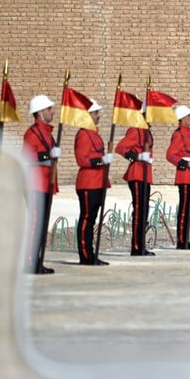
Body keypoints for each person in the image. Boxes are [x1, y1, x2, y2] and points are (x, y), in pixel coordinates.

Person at [22, 94, 61, 274]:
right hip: (35, 185)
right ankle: (30, 263)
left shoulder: (46, 132)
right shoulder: (32, 133)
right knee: (35, 225)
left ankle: (37, 262)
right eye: (48, 109)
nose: (51, 112)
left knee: (42, 225)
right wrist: (48, 155)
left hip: (46, 184)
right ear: (39, 113)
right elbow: (28, 156)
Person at [74, 100, 111, 266]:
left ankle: (91, 253)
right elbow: (82, 159)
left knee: (92, 220)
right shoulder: (83, 134)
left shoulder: (94, 133)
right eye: (96, 113)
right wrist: (100, 160)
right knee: (87, 219)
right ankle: (85, 255)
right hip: (88, 182)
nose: (98, 116)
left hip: (98, 181)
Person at [115, 113, 155, 256]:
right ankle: (137, 247)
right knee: (139, 211)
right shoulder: (136, 130)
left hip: (146, 174)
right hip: (137, 174)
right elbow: (120, 148)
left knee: (144, 211)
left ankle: (141, 245)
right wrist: (137, 156)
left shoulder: (146, 130)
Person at [167, 104, 190, 250]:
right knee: (185, 209)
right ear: (181, 119)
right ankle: (182, 240)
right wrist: (183, 163)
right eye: (188, 116)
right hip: (185, 176)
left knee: (189, 209)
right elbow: (170, 155)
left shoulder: (189, 135)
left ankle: (185, 238)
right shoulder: (179, 134)